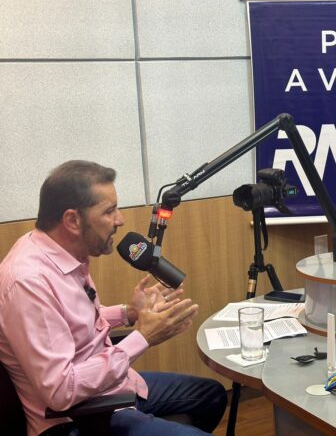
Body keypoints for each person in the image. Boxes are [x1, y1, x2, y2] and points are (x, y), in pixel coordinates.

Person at [0, 160, 227, 436]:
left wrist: (129, 313)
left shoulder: (59, 252)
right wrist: (143, 337)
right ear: (72, 220)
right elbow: (60, 391)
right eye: (109, 211)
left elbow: (69, 321)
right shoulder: (28, 283)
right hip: (77, 419)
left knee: (211, 396)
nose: (120, 220)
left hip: (106, 389)